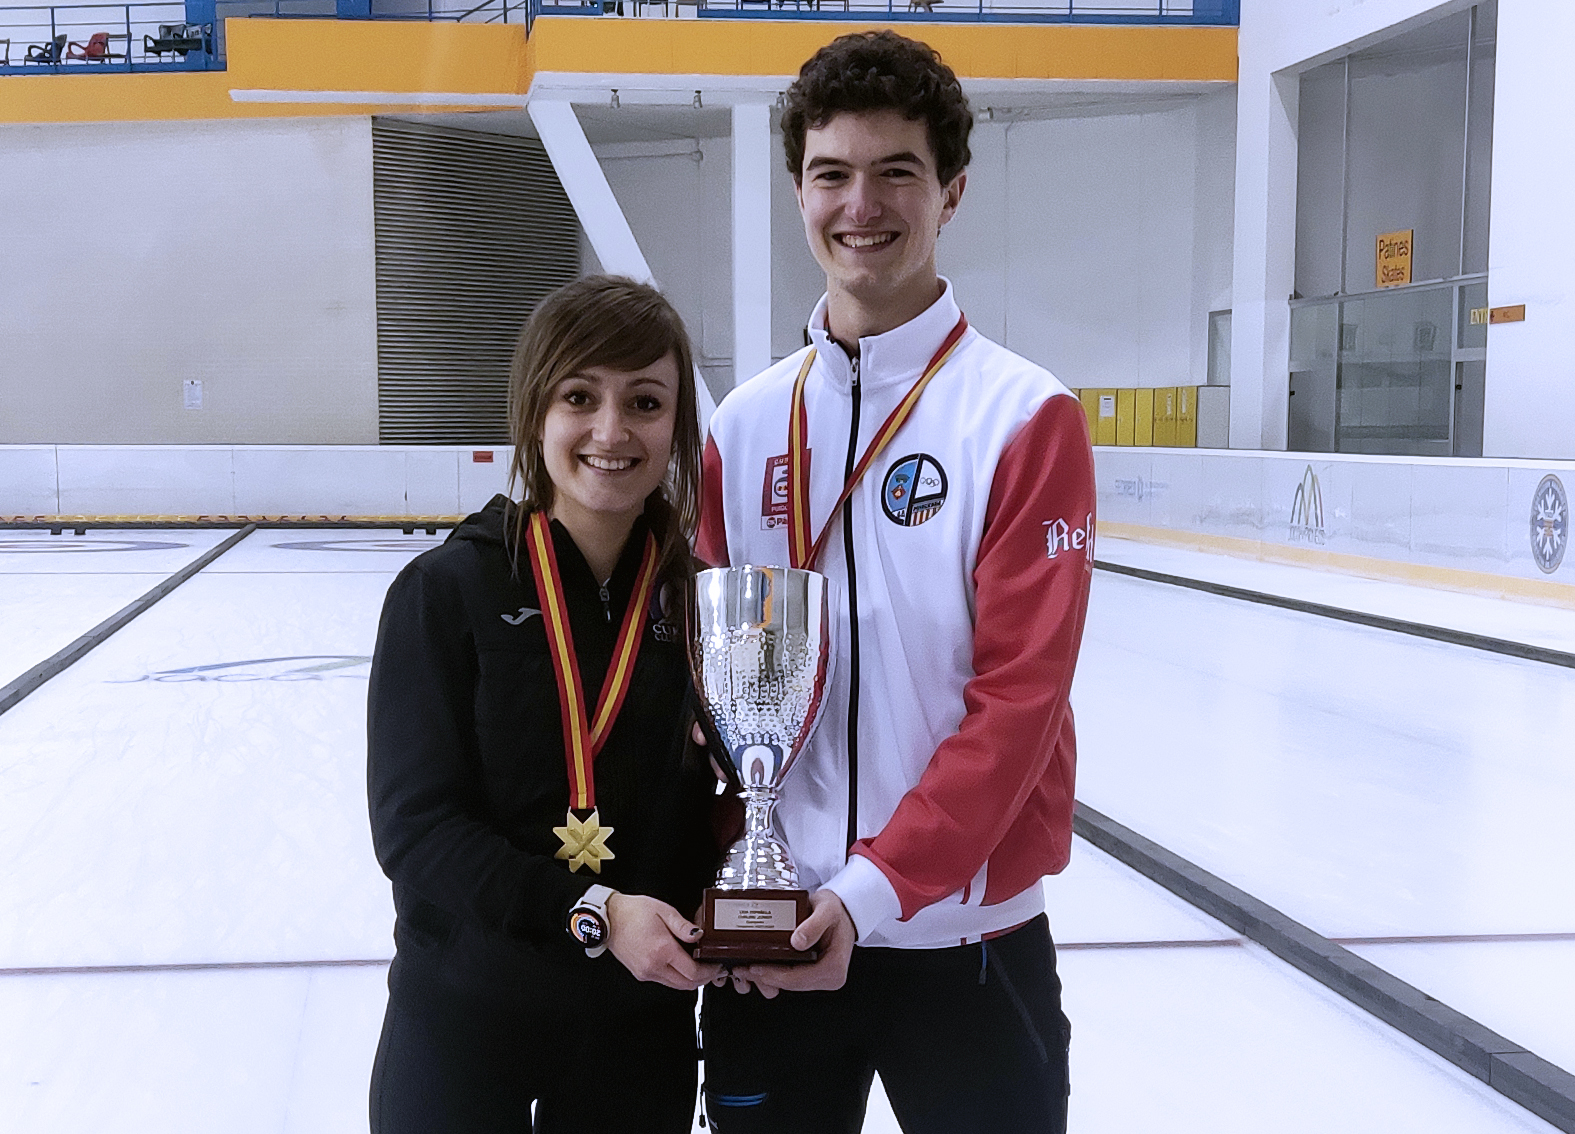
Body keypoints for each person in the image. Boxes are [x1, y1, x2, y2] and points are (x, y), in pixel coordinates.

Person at [695, 31, 1095, 1134]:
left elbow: (1020, 703)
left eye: (896, 172)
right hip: (774, 938)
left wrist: (866, 896)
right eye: (831, 173)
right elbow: (705, 702)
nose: (859, 204)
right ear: (798, 190)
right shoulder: (743, 425)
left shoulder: (1023, 417)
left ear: (952, 191)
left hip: (969, 938)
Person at [367, 275, 724, 1134]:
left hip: (634, 1030)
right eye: (579, 396)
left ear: (675, 426)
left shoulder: (705, 603)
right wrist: (592, 910)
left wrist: (737, 878)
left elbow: (722, 799)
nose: (611, 431)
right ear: (535, 412)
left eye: (644, 401)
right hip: (461, 1020)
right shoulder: (445, 591)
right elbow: (415, 830)